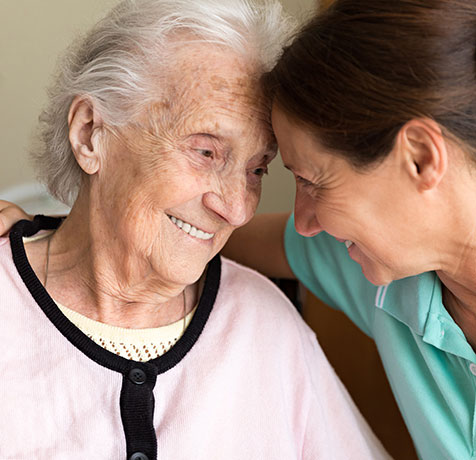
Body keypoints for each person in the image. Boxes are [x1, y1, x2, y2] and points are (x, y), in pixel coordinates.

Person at [0, 0, 392, 459]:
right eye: (206, 153)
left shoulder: (266, 327)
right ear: (90, 134)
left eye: (256, 170)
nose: (237, 210)